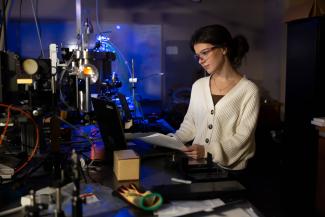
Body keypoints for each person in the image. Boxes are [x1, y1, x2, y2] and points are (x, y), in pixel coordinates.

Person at [173, 24, 260, 171]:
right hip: (199, 166)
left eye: (205, 53)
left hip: (231, 171)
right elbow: (190, 125)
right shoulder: (199, 86)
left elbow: (243, 138)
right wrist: (170, 141)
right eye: (198, 56)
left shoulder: (248, 90)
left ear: (224, 49)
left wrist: (207, 151)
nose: (200, 61)